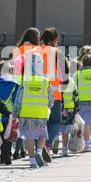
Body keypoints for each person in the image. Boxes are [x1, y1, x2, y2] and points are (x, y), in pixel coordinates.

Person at [25, 28, 68, 161]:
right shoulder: (57, 52)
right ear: (55, 40)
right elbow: (65, 74)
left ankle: (40, 146)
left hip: (33, 93)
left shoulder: (33, 51)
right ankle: (45, 145)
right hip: (53, 93)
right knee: (55, 121)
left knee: (39, 122)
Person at [13, 52, 54, 168]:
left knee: (29, 137)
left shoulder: (25, 81)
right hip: (41, 113)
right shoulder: (46, 82)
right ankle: (39, 151)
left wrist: (15, 113)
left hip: (26, 113)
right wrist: (48, 107)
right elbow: (51, 100)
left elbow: (18, 99)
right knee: (42, 134)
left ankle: (32, 161)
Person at [0, 61, 21, 165]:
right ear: (10, 71)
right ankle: (7, 156)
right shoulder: (14, 85)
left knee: (1, 136)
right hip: (10, 114)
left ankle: (2, 156)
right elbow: (16, 100)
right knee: (8, 136)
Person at [53, 60, 79, 156]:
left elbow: (60, 95)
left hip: (59, 108)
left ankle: (55, 139)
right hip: (70, 109)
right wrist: (77, 108)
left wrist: (61, 107)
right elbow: (75, 95)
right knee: (66, 132)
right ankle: (64, 149)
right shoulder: (71, 80)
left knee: (55, 126)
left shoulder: (56, 81)